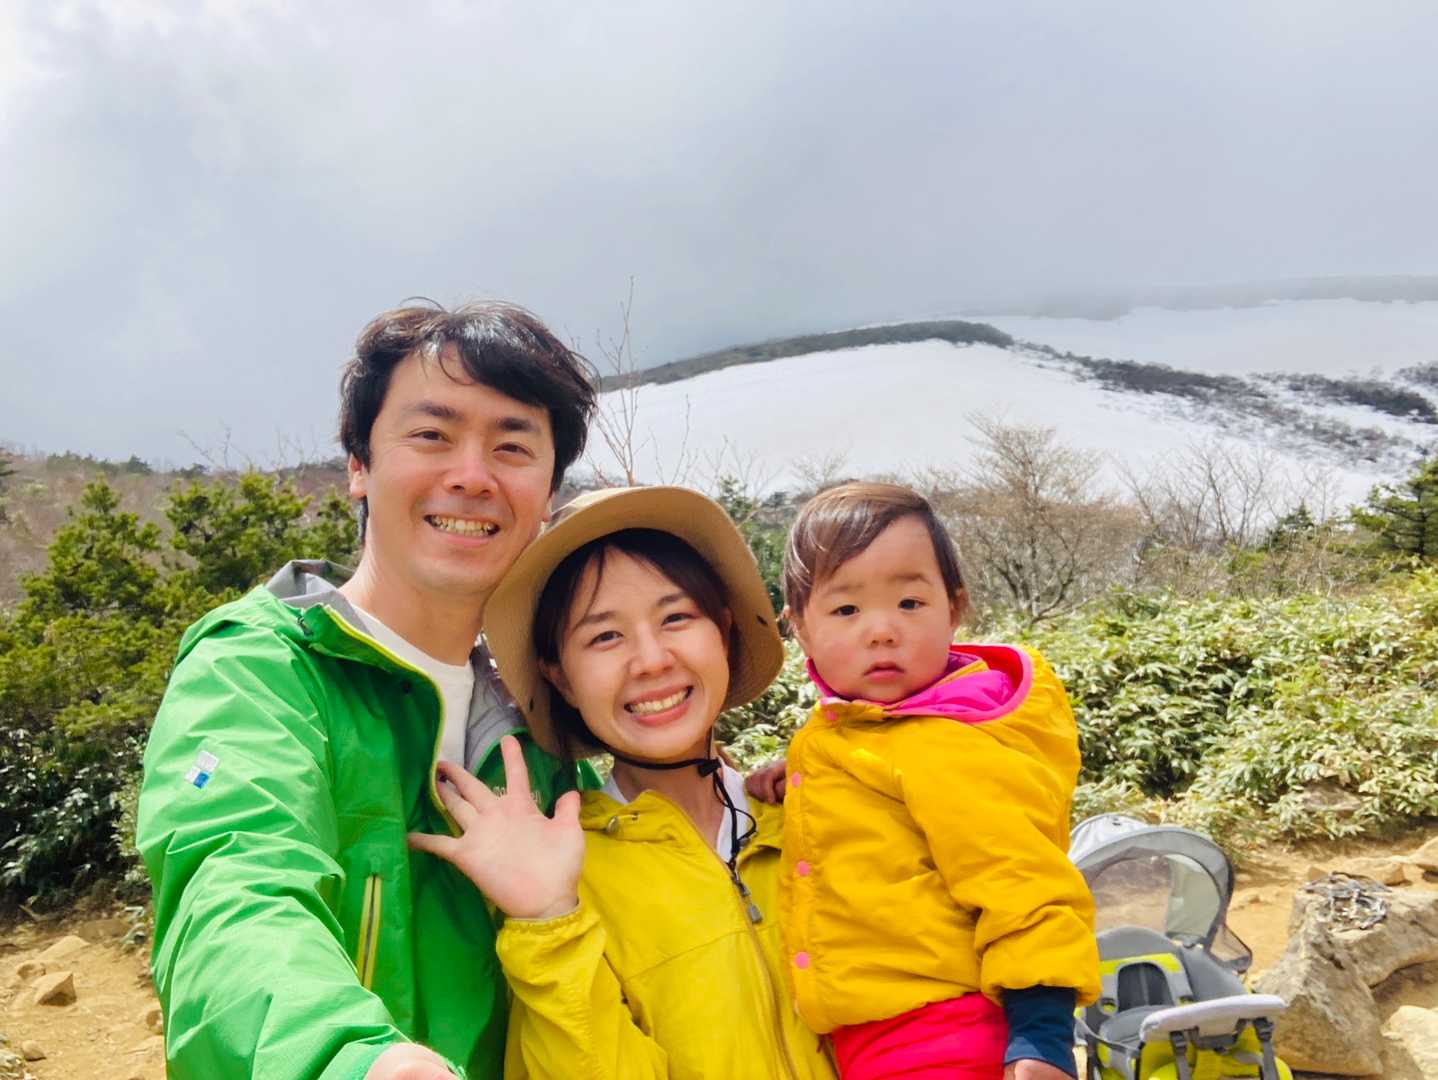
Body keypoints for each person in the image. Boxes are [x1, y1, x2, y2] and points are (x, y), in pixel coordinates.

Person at [136, 301, 598, 1080]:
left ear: (547, 493)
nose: (472, 476)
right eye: (432, 436)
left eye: (513, 446)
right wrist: (352, 1060)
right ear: (358, 465)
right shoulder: (257, 668)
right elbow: (233, 884)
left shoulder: (539, 719)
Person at [409, 486, 837, 1079]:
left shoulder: (816, 813)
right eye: (604, 636)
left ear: (724, 630)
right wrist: (547, 919)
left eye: (676, 618)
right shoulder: (568, 875)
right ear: (560, 679)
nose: (652, 659)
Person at [777, 481, 1101, 1080]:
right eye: (846, 610)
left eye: (910, 603)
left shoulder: (952, 742)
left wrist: (1042, 1040)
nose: (882, 630)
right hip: (872, 1042)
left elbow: (1023, 887)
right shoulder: (858, 736)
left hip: (945, 1036)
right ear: (800, 627)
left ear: (954, 609)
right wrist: (795, 777)